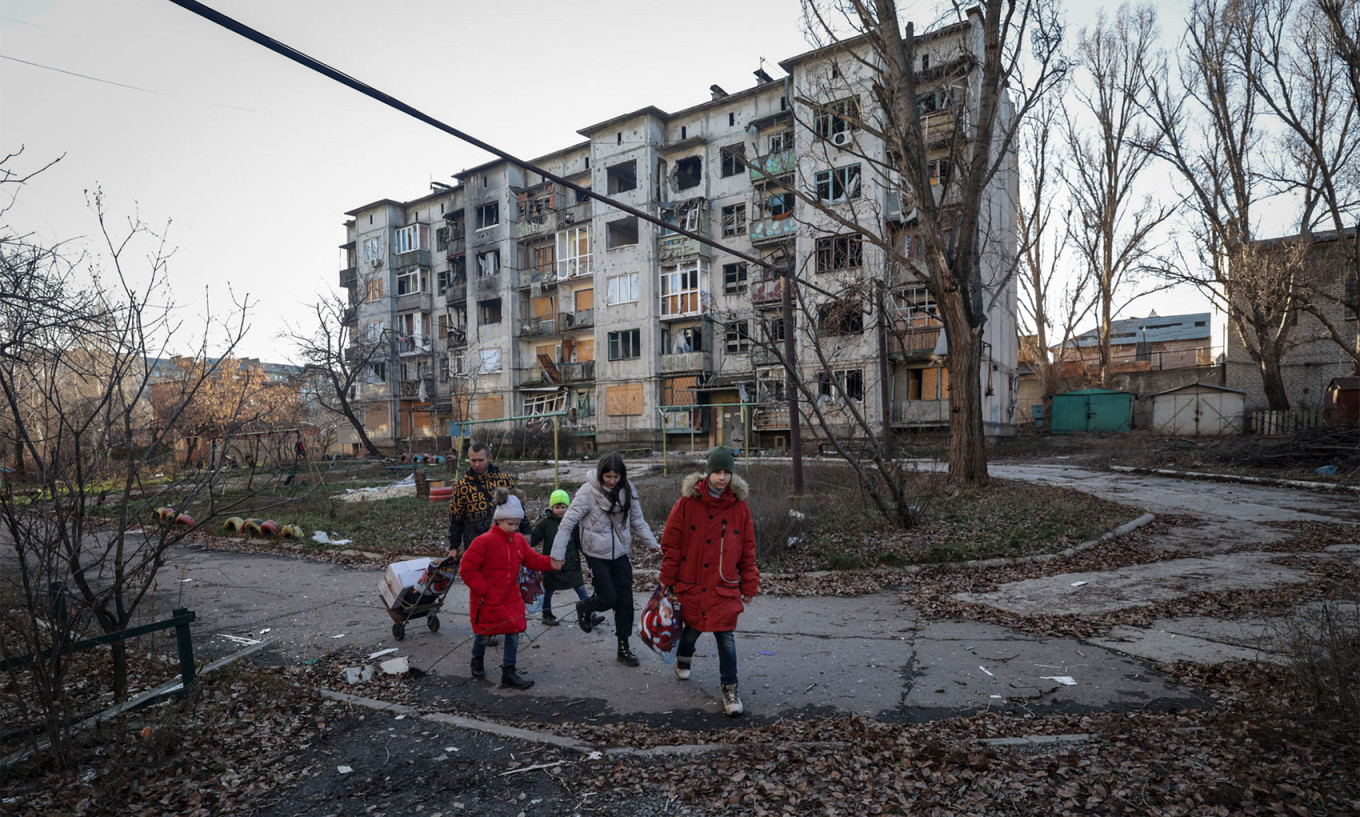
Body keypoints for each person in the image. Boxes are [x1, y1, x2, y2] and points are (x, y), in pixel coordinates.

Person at [659, 446, 759, 716]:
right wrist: (667, 580)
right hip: (692, 581)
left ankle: (730, 688)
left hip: (724, 585)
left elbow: (747, 549)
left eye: (727, 472)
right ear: (708, 472)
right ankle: (683, 655)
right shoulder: (687, 503)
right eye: (718, 471)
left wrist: (749, 583)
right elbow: (671, 544)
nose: (722, 477)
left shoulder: (739, 506)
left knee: (725, 635)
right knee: (693, 626)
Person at [551, 452, 659, 666]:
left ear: (622, 475)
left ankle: (623, 647)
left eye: (615, 477)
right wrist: (557, 555)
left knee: (625, 602)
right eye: (607, 476)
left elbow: (638, 521)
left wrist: (653, 545)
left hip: (620, 553)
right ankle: (586, 606)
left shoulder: (628, 490)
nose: (611, 481)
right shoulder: (587, 492)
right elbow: (568, 522)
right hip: (595, 555)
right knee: (609, 597)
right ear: (601, 474)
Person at [459, 487, 562, 690]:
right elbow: (467, 569)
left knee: (513, 631)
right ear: (498, 520)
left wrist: (551, 563)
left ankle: (509, 671)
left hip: (511, 596)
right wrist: (485, 590)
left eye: (517, 524)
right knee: (484, 632)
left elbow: (532, 559)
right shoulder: (483, 542)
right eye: (510, 524)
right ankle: (477, 660)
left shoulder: (518, 541)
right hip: (486, 598)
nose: (514, 528)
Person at [447, 442, 526, 646]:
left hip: (503, 543)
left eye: (480, 460)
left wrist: (526, 533)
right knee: (483, 589)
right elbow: (456, 518)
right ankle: (487, 629)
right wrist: (453, 547)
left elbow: (518, 508)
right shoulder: (462, 486)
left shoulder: (503, 479)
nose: (476, 464)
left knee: (505, 586)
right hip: (476, 542)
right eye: (473, 460)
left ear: (489, 458)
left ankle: (506, 623)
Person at [530, 488, 602, 627]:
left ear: (568, 507)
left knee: (581, 589)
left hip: (572, 564)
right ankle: (547, 614)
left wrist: (591, 555)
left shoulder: (573, 523)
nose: (560, 510)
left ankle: (590, 613)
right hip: (552, 564)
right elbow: (533, 538)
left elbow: (580, 542)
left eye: (563, 507)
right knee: (548, 591)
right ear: (552, 507)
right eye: (557, 507)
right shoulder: (546, 523)